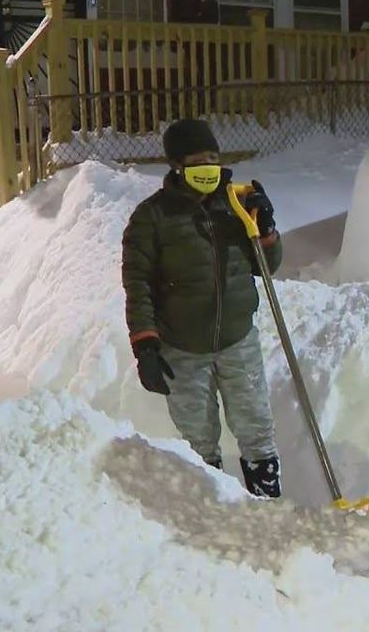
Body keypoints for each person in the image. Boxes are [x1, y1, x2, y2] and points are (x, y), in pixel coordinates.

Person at [121, 118, 283, 498]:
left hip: (236, 338)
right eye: (196, 161)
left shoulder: (237, 204)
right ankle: (214, 507)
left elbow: (267, 266)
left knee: (256, 426)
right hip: (181, 346)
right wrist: (145, 344)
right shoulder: (152, 218)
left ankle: (268, 504)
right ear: (177, 165)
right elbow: (138, 284)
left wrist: (267, 227)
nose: (208, 167)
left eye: (213, 157)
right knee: (198, 437)